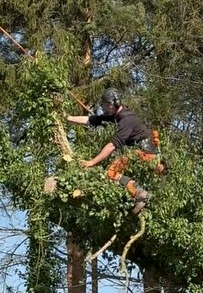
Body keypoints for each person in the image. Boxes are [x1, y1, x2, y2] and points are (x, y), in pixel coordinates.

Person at [66, 87, 165, 216]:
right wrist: (67, 118)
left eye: (106, 105)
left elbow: (113, 145)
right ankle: (136, 198)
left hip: (145, 153)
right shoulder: (115, 117)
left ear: (114, 104)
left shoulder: (126, 119)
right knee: (120, 174)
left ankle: (141, 193)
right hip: (142, 153)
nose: (104, 108)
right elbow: (92, 120)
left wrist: (92, 161)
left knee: (112, 172)